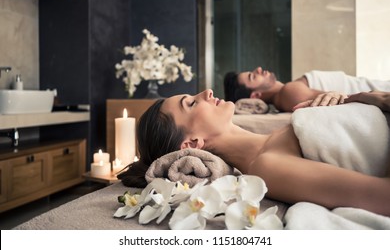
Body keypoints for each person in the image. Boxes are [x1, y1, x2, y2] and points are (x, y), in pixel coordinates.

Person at [119, 89, 390, 217]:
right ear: (191, 144)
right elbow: (382, 197)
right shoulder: (267, 166)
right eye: (191, 103)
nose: (206, 92)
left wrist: (364, 99)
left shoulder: (282, 133)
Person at [224, 67, 390, 112]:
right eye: (253, 76)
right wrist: (379, 98)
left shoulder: (290, 89)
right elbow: (339, 100)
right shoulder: (290, 93)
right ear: (256, 95)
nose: (259, 69)